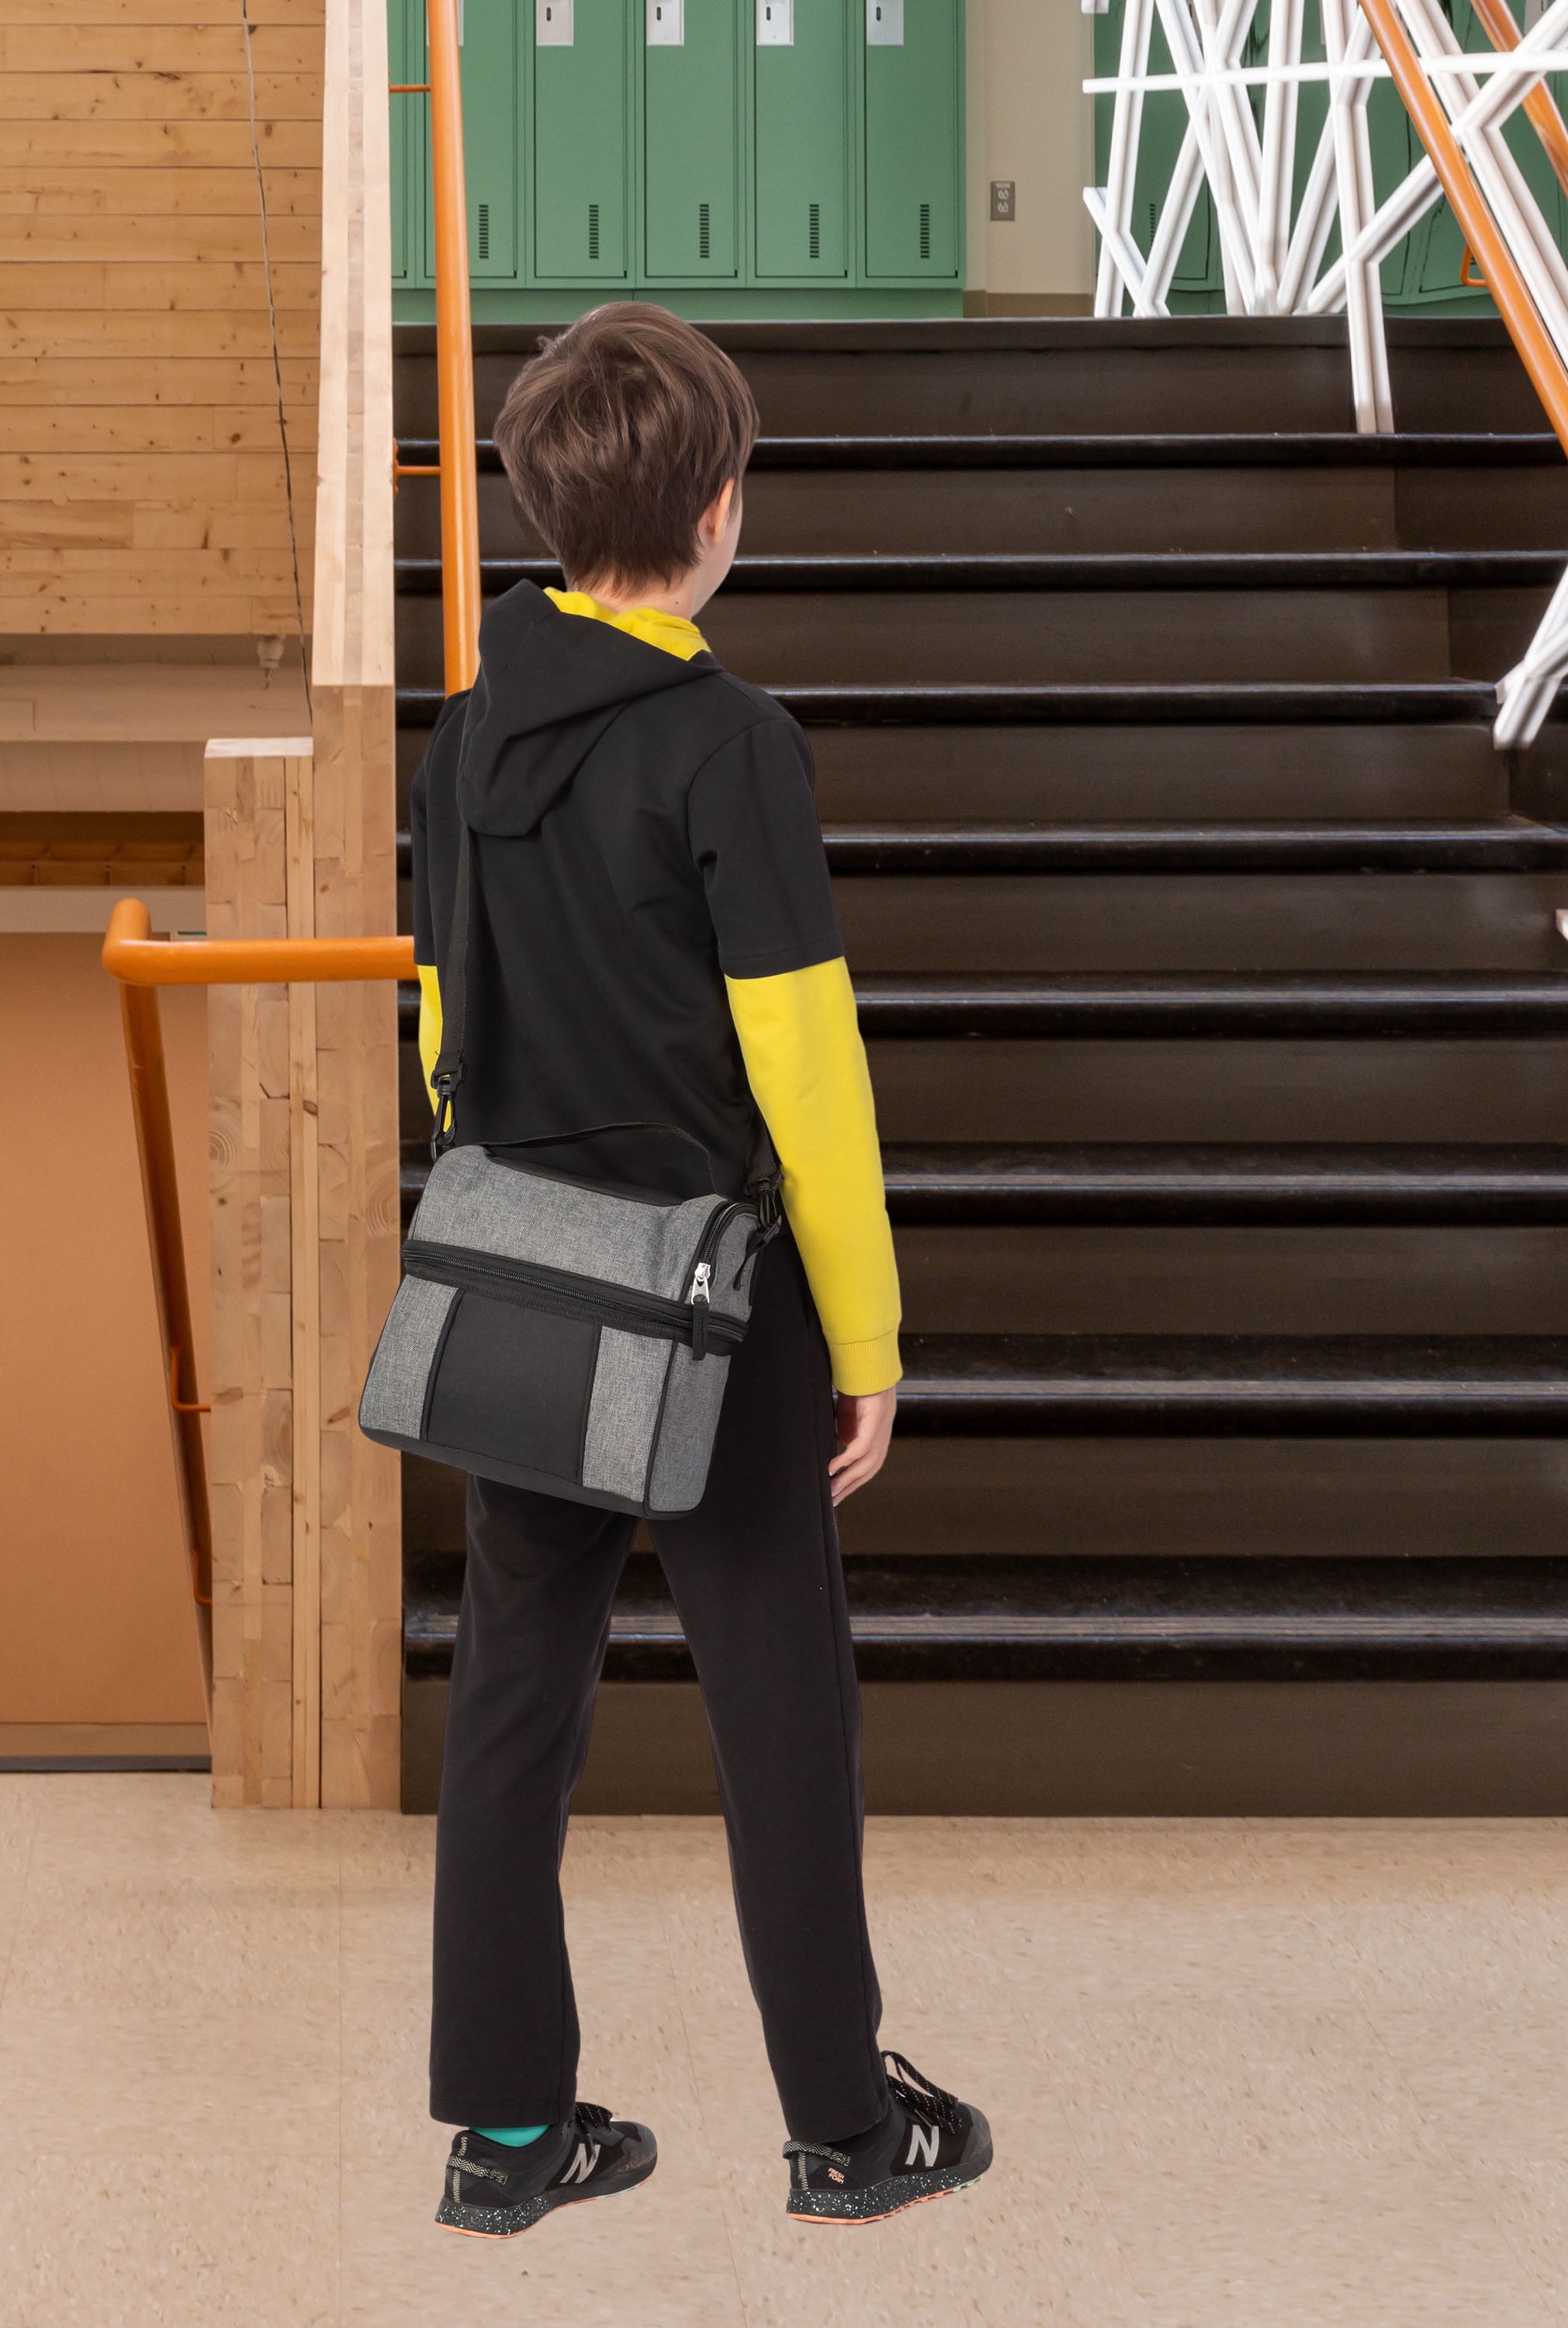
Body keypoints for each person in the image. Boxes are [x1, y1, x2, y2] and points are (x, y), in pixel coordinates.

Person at [408, 302, 992, 2240]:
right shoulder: (732, 744)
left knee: (511, 1707)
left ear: (544, 502)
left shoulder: (472, 725)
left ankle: (504, 2142)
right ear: (721, 512)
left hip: (523, 1279)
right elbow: (805, 1067)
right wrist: (871, 1332)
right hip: (721, 1303)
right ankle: (844, 2126)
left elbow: (443, 1021)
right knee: (778, 1714)